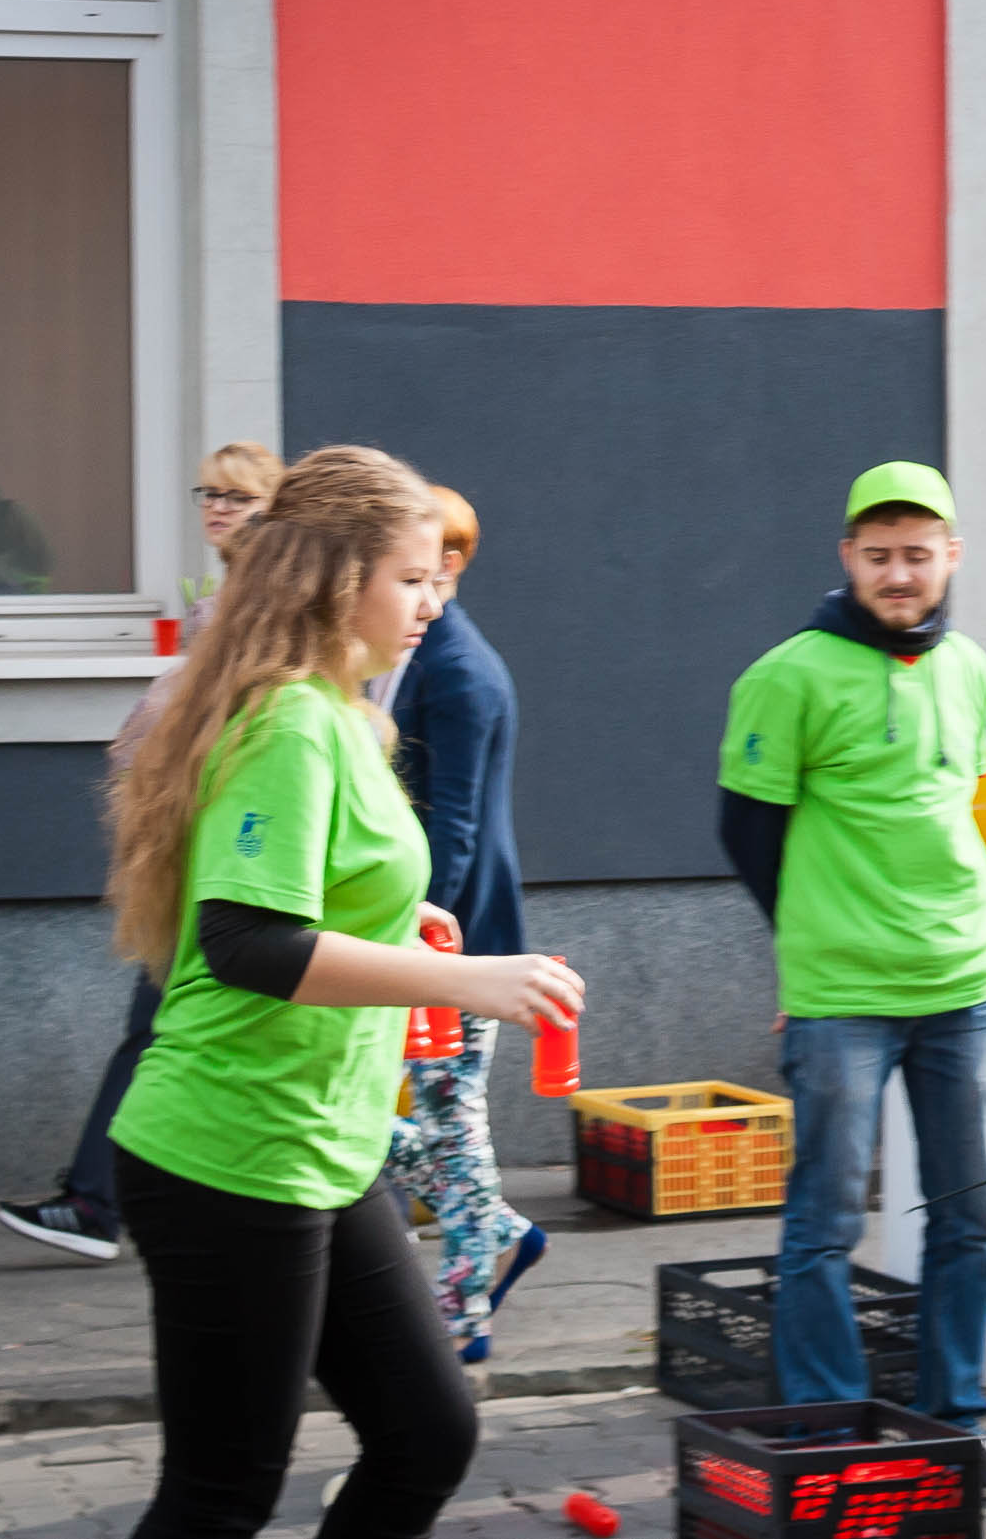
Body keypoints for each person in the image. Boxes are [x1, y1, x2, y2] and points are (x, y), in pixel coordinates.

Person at [103, 444, 584, 1535]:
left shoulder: (345, 713)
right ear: (334, 576)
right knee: (221, 1495)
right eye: (411, 577)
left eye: (436, 578)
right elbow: (246, 941)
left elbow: (311, 895)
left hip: (324, 1144)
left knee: (428, 1434)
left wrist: (398, 922)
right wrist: (467, 976)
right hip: (231, 1150)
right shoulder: (289, 721)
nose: (432, 602)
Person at [715, 462, 986, 1499]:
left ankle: (955, 1431)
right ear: (847, 558)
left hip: (964, 982)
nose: (898, 574)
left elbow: (953, 808)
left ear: (951, 557)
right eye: (878, 555)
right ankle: (828, 1434)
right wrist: (810, 944)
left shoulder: (972, 670)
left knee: (966, 1216)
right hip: (842, 997)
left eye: (916, 554)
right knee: (825, 1224)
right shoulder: (788, 675)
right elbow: (746, 830)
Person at [0, 440, 285, 1262]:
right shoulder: (225, 601)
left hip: (219, 854)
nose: (218, 508)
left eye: (238, 496)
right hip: (197, 849)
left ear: (274, 512)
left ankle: (101, 1201)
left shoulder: (255, 610)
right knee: (174, 1028)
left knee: (162, 1027)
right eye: (209, 494)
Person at [383, 485, 544, 1366]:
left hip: (458, 937)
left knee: (446, 1117)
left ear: (448, 563)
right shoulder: (425, 658)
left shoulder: (459, 671)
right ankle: (497, 1237)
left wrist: (421, 940)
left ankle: (467, 1299)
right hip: (437, 936)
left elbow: (455, 825)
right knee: (412, 1119)